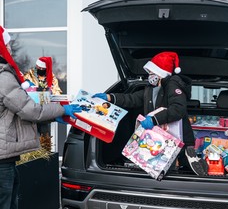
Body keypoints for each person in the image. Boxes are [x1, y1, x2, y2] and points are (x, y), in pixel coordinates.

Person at [0, 26, 82, 209]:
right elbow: (30, 110)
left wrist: (52, 115)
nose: (11, 48)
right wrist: (62, 110)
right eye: (8, 44)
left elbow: (13, 111)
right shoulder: (3, 78)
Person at [92, 51, 208, 176]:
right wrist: (109, 97)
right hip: (159, 136)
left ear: (161, 72)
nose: (149, 75)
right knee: (159, 162)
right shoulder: (151, 88)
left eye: (151, 72)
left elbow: (178, 109)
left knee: (178, 164)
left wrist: (153, 120)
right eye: (149, 72)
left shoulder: (173, 83)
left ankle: (192, 159)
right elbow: (132, 98)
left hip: (178, 136)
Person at [24, 56, 63, 151]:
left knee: (44, 131)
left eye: (42, 69)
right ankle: (31, 151)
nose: (39, 70)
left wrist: (51, 94)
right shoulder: (30, 75)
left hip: (45, 110)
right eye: (38, 67)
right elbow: (23, 88)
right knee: (31, 132)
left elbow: (56, 92)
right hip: (32, 108)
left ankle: (45, 151)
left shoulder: (52, 78)